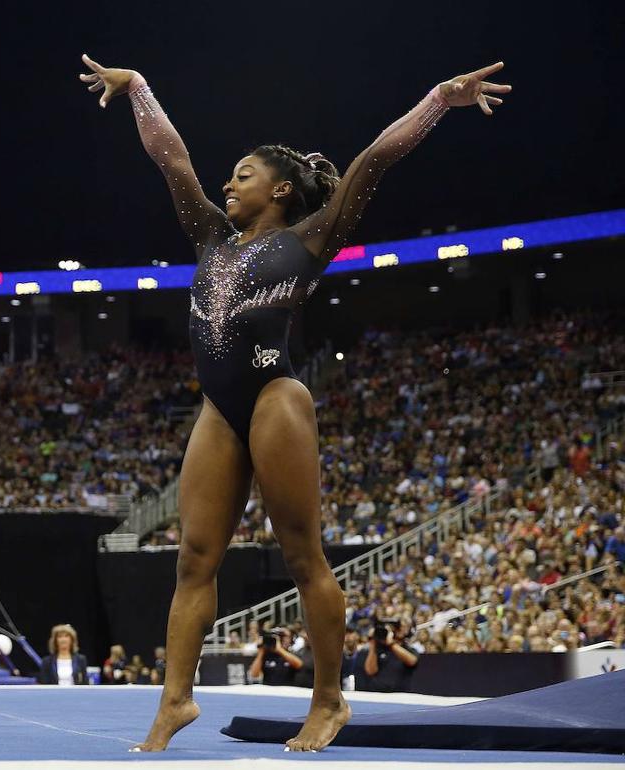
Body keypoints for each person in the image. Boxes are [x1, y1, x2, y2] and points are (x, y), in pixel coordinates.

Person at [78, 53, 510, 752]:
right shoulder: (211, 236)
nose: (228, 182)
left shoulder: (309, 240)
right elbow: (173, 162)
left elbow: (371, 161)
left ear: (281, 190)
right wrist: (139, 89)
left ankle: (330, 699)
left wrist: (438, 98)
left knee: (302, 555)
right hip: (219, 406)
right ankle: (175, 701)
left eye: (243, 175)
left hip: (275, 397)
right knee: (193, 558)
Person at [356, 621, 419, 692]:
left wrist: (391, 643)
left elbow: (412, 661)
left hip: (400, 695)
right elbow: (371, 671)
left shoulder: (409, 649)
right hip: (377, 694)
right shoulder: (377, 649)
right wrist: (373, 643)